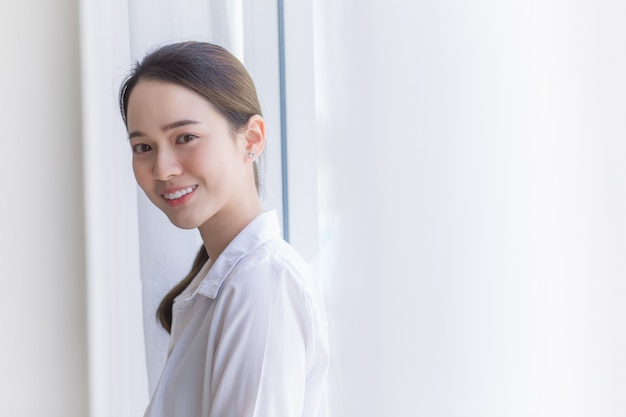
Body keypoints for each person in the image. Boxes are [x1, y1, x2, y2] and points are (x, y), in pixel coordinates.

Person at [119, 41, 329, 417]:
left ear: (251, 139)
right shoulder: (223, 281)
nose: (163, 169)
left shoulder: (263, 281)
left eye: (185, 138)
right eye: (143, 147)